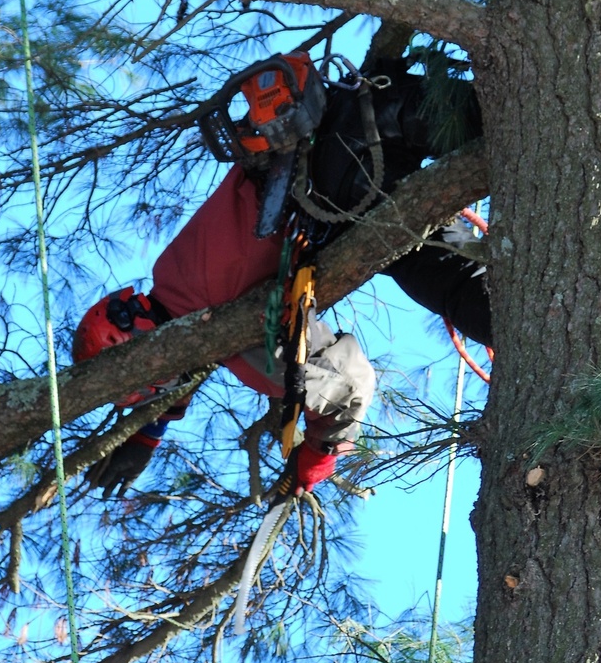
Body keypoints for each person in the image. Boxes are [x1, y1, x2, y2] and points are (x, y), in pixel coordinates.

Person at [73, 55, 490, 497]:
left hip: (355, 185)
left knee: (490, 309)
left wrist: (318, 456)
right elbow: (179, 355)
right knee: (523, 110)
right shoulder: (177, 273)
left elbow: (346, 386)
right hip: (364, 107)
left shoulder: (230, 330)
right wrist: (146, 434)